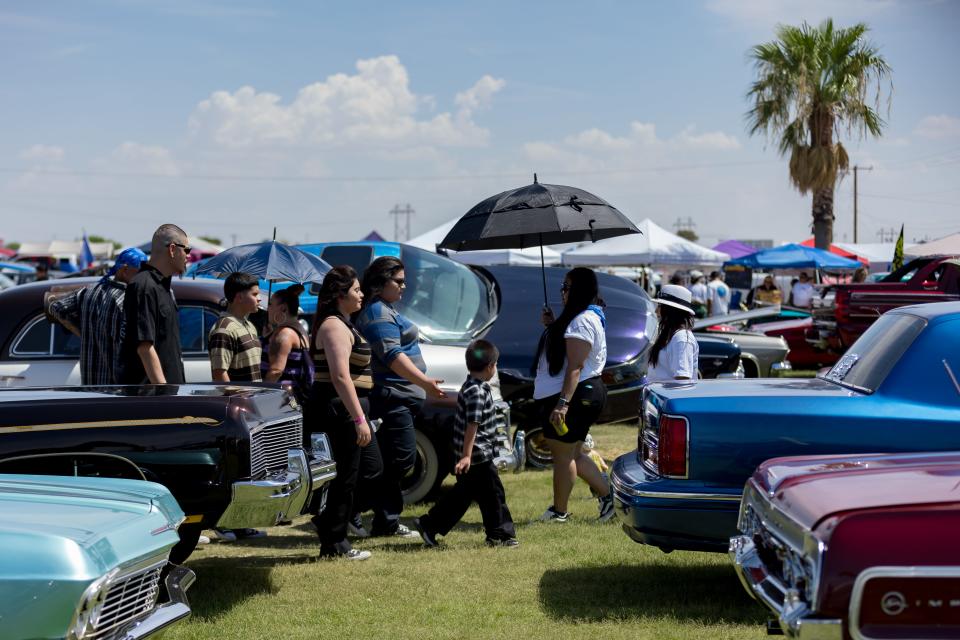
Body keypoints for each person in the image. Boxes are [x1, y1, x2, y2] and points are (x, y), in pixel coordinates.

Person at [355, 256, 445, 538]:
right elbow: (392, 355)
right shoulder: (378, 313)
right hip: (390, 398)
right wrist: (425, 382)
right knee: (402, 461)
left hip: (399, 397)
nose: (404, 286)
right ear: (380, 283)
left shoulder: (386, 310)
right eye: (399, 281)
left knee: (392, 461)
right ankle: (346, 510)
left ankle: (386, 521)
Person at [413, 340, 518, 548]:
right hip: (477, 456)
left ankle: (430, 525)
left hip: (474, 454)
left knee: (466, 495)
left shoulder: (470, 385)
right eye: (495, 365)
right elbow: (473, 425)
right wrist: (467, 456)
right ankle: (502, 534)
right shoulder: (477, 392)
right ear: (490, 367)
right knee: (493, 494)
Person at [534, 267, 613, 523]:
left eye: (566, 287)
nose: (562, 292)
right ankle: (609, 498)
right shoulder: (583, 318)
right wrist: (552, 324)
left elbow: (576, 367)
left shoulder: (582, 321)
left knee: (563, 456)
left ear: (579, 290)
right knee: (575, 454)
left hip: (579, 395)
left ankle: (560, 511)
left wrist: (562, 404)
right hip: (585, 393)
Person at [308, 266, 375, 560]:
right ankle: (334, 543)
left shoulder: (345, 323)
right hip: (339, 408)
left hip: (346, 406)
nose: (361, 295)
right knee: (345, 476)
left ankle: (329, 526)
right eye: (357, 290)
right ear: (340, 294)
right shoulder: (334, 326)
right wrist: (359, 418)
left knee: (367, 470)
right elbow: (340, 377)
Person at [45, 247, 146, 385]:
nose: (143, 277)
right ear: (124, 269)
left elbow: (55, 307)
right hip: (115, 389)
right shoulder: (124, 301)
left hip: (89, 386)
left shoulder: (88, 291)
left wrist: (80, 331)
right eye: (140, 272)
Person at [120, 224, 189, 384]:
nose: (188, 256)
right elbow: (144, 347)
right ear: (172, 249)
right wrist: (164, 393)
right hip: (152, 398)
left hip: (166, 394)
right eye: (186, 250)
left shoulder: (162, 287)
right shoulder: (144, 286)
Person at [260, 284, 313, 402]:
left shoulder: (284, 334)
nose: (267, 308)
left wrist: (260, 395)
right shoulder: (299, 329)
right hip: (293, 397)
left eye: (270, 304)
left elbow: (275, 371)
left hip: (280, 400)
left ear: (283, 308)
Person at [209, 272, 262, 383]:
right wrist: (236, 399)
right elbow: (219, 373)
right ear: (239, 297)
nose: (259, 299)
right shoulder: (224, 330)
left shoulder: (249, 325)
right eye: (255, 294)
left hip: (254, 398)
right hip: (239, 400)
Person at [647, 285, 699, 382]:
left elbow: (682, 380)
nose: (656, 311)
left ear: (670, 311)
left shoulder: (681, 338)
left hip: (666, 396)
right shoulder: (671, 334)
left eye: (660, 306)